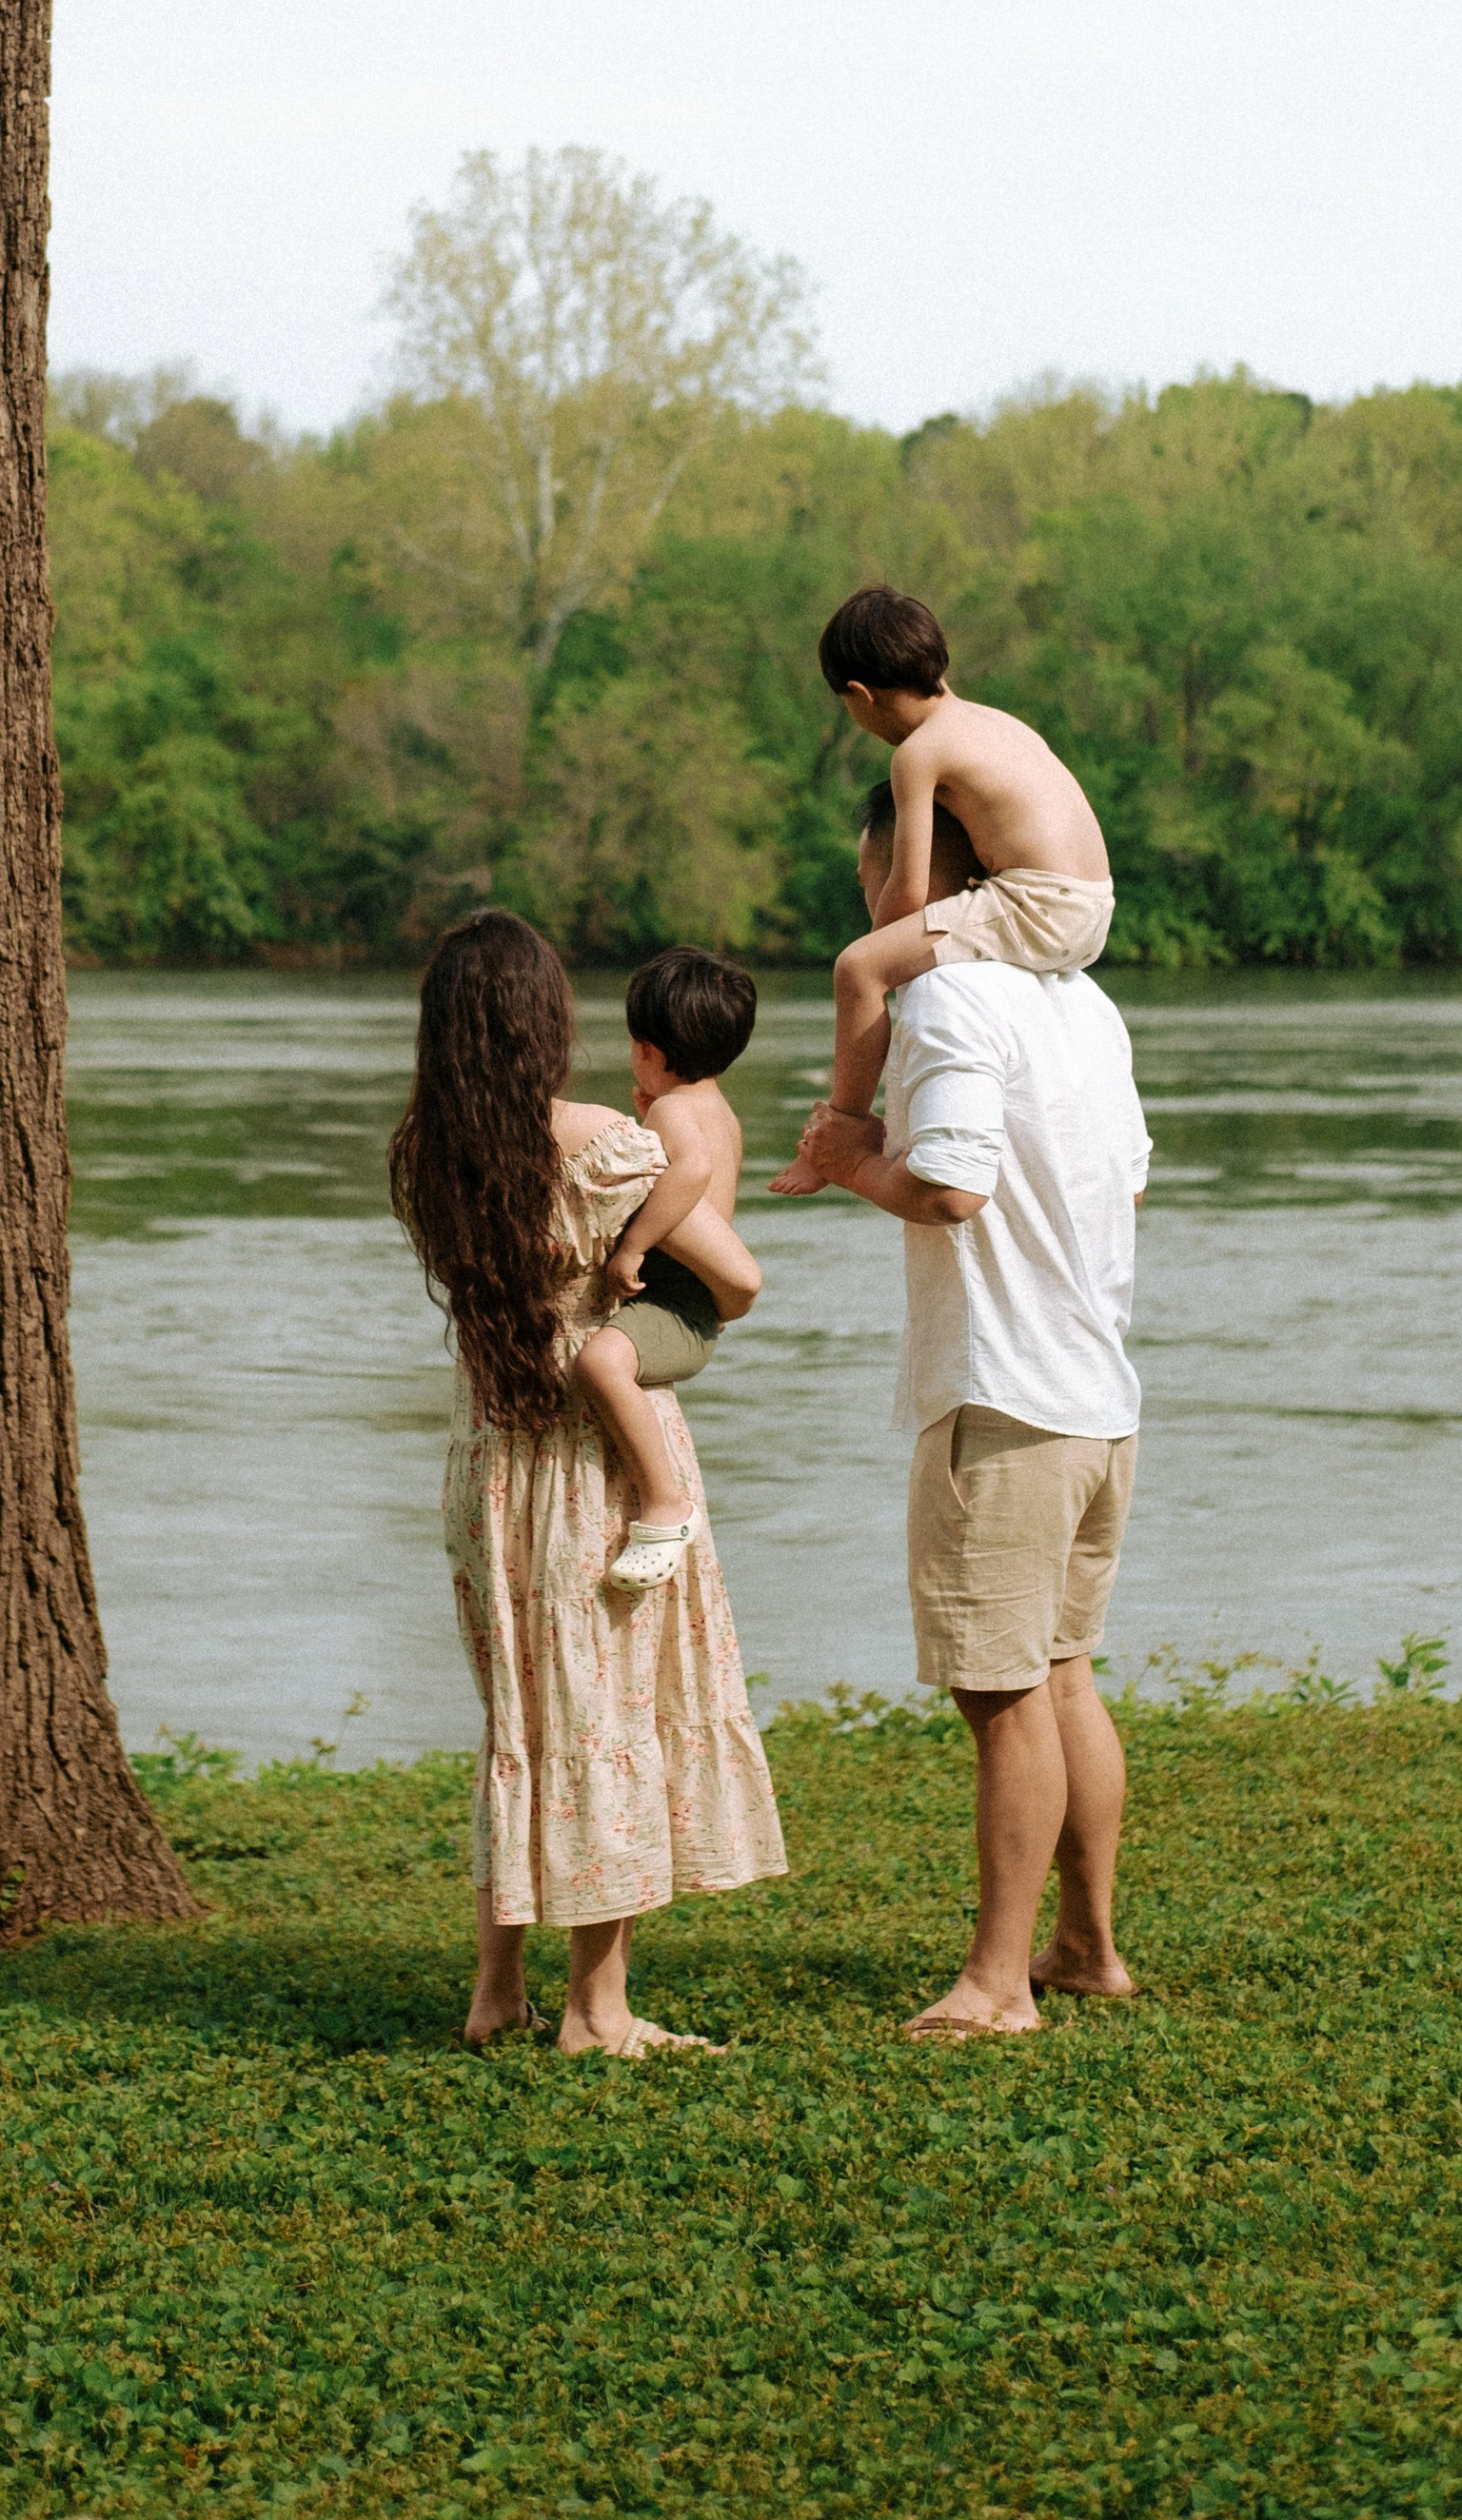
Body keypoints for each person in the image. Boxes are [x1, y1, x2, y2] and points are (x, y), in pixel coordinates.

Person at [772, 786, 1149, 2037]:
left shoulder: (946, 996)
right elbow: (1127, 1184)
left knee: (1001, 1699)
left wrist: (844, 1161)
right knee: (1063, 1676)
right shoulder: (1087, 1008)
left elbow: (948, 1190)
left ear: (926, 874)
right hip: (1098, 1402)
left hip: (1003, 1397)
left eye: (873, 874)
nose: (868, 901)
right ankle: (1085, 1947)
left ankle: (997, 1985)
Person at [390, 909, 787, 2055]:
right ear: (544, 1025)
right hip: (589, 1464)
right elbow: (738, 1280)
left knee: (524, 1723)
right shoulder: (603, 1142)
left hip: (485, 1465)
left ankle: (493, 1993)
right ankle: (598, 2012)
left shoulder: (427, 1151)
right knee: (603, 1718)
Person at [768, 586, 1115, 1191]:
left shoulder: (919, 752)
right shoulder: (997, 721)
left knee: (856, 969)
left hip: (1040, 905)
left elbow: (909, 885)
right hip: (1093, 907)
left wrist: (880, 956)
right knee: (874, 965)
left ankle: (842, 1128)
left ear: (860, 695)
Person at [572, 945, 764, 1592]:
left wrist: (629, 1249)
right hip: (692, 1307)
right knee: (604, 1360)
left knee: (599, 1362)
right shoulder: (716, 1110)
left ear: (649, 1050)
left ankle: (665, 1503)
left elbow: (692, 1172)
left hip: (678, 1307)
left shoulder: (673, 1111)